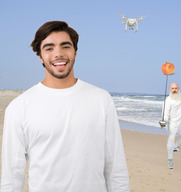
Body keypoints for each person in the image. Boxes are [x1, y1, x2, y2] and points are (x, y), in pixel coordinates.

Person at [1, 21, 130, 191]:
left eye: (65, 46)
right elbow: (11, 176)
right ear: (40, 56)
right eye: (49, 48)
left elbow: (116, 167)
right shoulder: (19, 107)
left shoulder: (101, 99)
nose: (58, 54)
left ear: (75, 52)